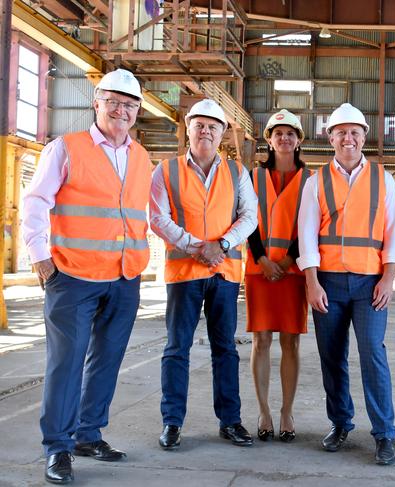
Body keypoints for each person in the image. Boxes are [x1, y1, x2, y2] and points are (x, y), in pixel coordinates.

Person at [22, 69, 151, 484]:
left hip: (124, 275)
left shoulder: (142, 156)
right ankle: (57, 447)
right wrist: (41, 259)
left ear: (137, 112)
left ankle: (88, 434)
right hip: (73, 275)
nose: (121, 111)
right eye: (113, 101)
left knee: (106, 362)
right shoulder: (66, 148)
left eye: (129, 105)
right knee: (66, 363)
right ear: (96, 103)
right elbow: (36, 202)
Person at [297, 103, 395, 466]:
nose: (348, 138)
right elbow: (307, 235)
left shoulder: (383, 179)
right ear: (330, 138)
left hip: (370, 283)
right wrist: (311, 283)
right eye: (341, 132)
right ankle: (340, 423)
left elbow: (394, 233)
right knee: (332, 356)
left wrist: (389, 278)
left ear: (364, 137)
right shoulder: (316, 181)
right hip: (328, 282)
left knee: (373, 355)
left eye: (355, 132)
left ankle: (384, 433)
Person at [150, 99, 257, 450]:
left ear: (222, 133)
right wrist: (200, 246)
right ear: (188, 129)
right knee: (176, 348)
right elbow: (158, 218)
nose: (206, 131)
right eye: (199, 124)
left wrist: (222, 245)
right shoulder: (165, 171)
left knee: (224, 348)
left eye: (213, 126)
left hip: (224, 272)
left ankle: (230, 421)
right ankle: (172, 423)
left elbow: (249, 216)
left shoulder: (236, 172)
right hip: (184, 272)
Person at [245, 109, 310, 442]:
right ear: (268, 139)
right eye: (278, 133)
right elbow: (246, 219)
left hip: (294, 271)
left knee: (291, 342)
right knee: (261, 340)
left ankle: (286, 411)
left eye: (291, 133)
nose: (284, 139)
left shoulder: (311, 180)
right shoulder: (252, 177)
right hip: (259, 270)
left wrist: (285, 262)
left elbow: (312, 226)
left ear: (299, 140)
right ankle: (264, 412)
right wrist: (262, 259)